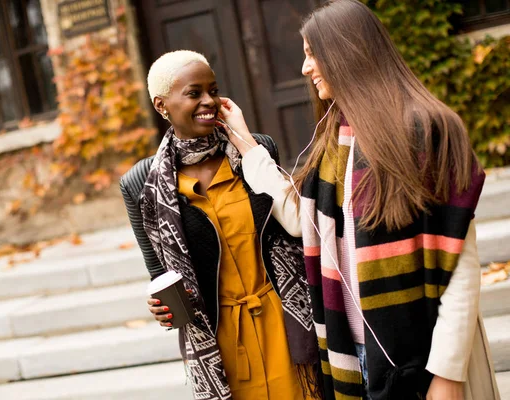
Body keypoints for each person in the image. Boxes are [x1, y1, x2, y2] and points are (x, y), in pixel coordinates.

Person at [218, 1, 500, 399]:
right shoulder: (334, 142)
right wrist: (247, 145)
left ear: (347, 51)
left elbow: (460, 265)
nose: (304, 68)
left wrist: (447, 373)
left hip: (427, 359)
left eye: (312, 54)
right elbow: (304, 222)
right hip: (359, 359)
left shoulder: (427, 131)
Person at [119, 50, 321, 400]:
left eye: (213, 90)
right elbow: (161, 275)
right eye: (194, 93)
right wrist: (163, 308)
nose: (209, 101)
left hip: (285, 325)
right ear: (161, 105)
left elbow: (295, 228)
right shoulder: (142, 184)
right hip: (220, 342)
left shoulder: (254, 150)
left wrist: (249, 143)